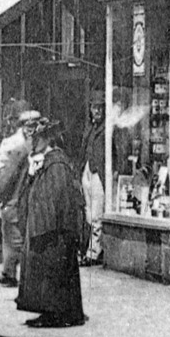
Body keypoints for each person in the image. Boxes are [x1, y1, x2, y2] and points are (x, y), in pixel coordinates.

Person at [15, 117, 88, 328]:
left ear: (46, 140)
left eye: (35, 139)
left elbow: (55, 200)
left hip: (53, 232)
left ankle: (55, 314)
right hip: (49, 230)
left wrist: (41, 229)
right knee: (52, 273)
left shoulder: (56, 164)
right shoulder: (47, 162)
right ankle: (54, 313)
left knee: (52, 272)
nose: (31, 143)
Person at [0, 108, 42, 288]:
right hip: (17, 194)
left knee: (17, 236)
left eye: (35, 125)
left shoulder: (38, 144)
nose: (31, 129)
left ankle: (12, 273)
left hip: (28, 196)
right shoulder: (13, 144)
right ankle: (10, 272)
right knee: (14, 236)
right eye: (28, 126)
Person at [77, 95, 107, 266]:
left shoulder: (106, 128)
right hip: (87, 171)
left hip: (98, 173)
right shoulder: (89, 128)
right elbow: (83, 151)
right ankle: (87, 248)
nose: (97, 111)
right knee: (88, 212)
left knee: (97, 214)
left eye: (100, 107)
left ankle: (94, 252)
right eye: (95, 107)